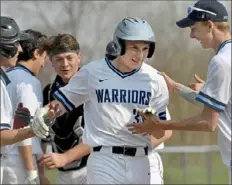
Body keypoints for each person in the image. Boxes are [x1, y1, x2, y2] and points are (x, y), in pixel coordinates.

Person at [35, 17, 169, 184]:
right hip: (105, 160)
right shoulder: (93, 72)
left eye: (145, 48)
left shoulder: (155, 79)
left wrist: (153, 124)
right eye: (134, 48)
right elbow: (62, 103)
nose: (139, 55)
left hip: (142, 159)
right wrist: (44, 113)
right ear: (119, 45)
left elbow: (163, 130)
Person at [127, 0, 231, 183]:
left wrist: (161, 125)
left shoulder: (221, 62)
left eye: (194, 28)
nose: (192, 35)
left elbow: (208, 122)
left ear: (209, 25)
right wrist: (177, 88)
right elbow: (223, 107)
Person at [105, 40, 173, 184]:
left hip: (146, 158)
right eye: (111, 59)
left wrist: (137, 147)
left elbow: (167, 131)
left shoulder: (146, 85)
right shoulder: (104, 93)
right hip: (111, 161)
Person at [0, 16, 49, 185]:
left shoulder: (6, 76)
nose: (20, 50)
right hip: (18, 163)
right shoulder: (28, 82)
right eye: (44, 57)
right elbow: (21, 131)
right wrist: (32, 173)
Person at [40, 34, 90, 184]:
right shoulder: (48, 92)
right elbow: (43, 135)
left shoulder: (93, 88)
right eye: (59, 59)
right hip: (63, 175)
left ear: (79, 57)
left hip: (92, 170)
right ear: (51, 62)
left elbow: (98, 137)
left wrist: (65, 157)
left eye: (69, 58)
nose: (65, 64)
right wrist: (42, 171)